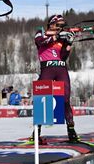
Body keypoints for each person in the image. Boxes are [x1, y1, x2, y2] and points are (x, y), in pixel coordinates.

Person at [32, 14, 77, 143]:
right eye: (58, 25)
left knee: (66, 99)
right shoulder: (41, 31)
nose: (61, 27)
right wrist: (56, 36)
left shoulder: (62, 38)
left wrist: (69, 43)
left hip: (61, 69)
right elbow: (40, 41)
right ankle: (36, 131)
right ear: (52, 24)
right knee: (41, 99)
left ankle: (71, 129)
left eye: (62, 25)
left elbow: (63, 56)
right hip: (47, 69)